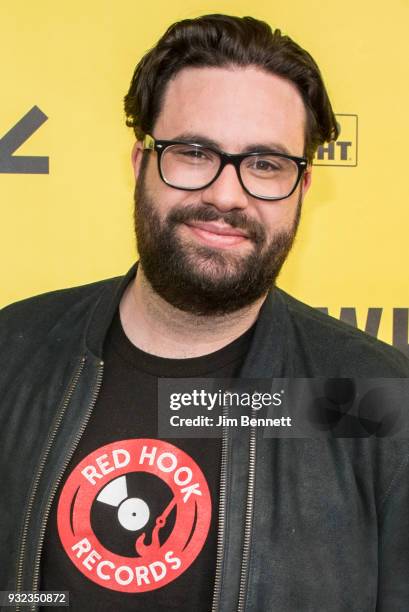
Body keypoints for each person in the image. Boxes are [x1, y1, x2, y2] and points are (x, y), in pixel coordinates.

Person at [1, 13, 408, 612]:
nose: (226, 194)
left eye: (266, 164)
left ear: (303, 189)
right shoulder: (13, 350)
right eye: (194, 152)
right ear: (140, 165)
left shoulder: (374, 397)